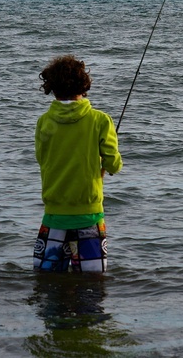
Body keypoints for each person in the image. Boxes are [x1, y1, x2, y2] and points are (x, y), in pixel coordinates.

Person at [33, 55, 123, 273]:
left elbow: (42, 159)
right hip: (89, 214)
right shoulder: (100, 120)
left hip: (54, 213)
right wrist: (105, 164)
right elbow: (113, 164)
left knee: (47, 286)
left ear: (52, 87)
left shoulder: (44, 122)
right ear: (84, 85)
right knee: (92, 290)